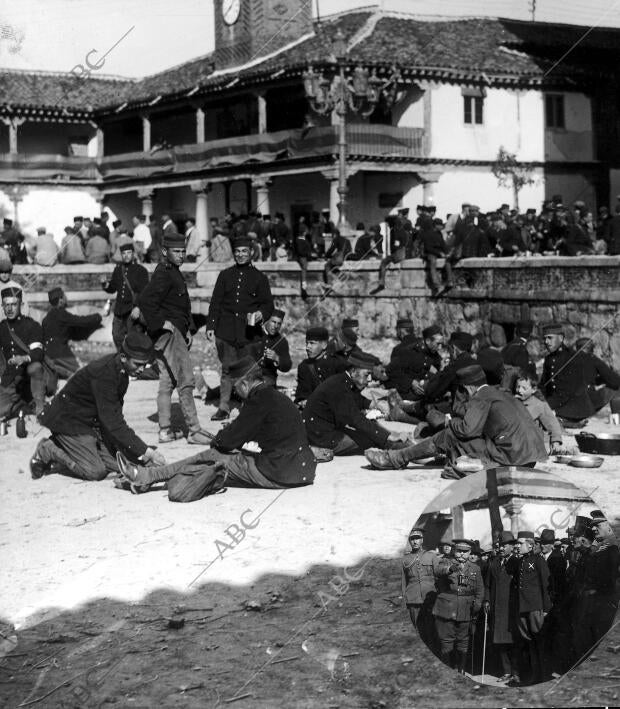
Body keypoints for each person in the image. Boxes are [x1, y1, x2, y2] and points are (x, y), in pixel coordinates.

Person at [115, 355, 316, 502]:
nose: (234, 394)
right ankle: (150, 477)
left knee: (211, 456)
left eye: (235, 389)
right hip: (302, 470)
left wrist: (221, 437)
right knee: (225, 455)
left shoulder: (257, 402)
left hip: (280, 473)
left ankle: (148, 476)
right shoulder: (275, 397)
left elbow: (225, 442)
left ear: (245, 383)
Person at [365, 365, 548, 476]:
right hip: (530, 458)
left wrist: (447, 421)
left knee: (450, 434)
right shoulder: (499, 393)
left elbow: (467, 430)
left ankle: (396, 458)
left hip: (512, 458)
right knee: (457, 437)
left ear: (468, 387)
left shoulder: (480, 396)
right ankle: (433, 455)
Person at [30, 332, 165, 481]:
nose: (142, 369)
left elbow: (114, 416)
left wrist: (134, 455)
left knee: (118, 465)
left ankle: (72, 448)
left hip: (89, 423)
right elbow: (113, 423)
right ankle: (48, 448)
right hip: (67, 420)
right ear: (123, 357)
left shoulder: (122, 373)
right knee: (95, 471)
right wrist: (146, 452)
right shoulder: (105, 374)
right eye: (138, 364)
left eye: (144, 364)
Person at [138, 231, 211, 445]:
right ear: (164, 252)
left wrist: (186, 328)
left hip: (174, 332)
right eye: (176, 251)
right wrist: (163, 323)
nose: (181, 255)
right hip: (170, 335)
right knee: (185, 380)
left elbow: (178, 307)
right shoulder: (164, 273)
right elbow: (145, 300)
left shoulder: (172, 271)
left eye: (183, 251)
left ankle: (165, 430)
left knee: (167, 380)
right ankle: (195, 430)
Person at [206, 236, 274, 421]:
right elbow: (215, 302)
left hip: (249, 334)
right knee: (227, 370)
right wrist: (211, 325)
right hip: (226, 331)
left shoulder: (260, 278)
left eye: (244, 251)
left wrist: (261, 314)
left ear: (251, 252)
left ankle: (249, 407)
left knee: (250, 371)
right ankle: (224, 406)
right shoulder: (225, 275)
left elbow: (268, 305)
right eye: (237, 252)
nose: (241, 255)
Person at [303, 351, 408, 459]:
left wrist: (371, 404)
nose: (370, 379)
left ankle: (406, 445)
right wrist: (387, 436)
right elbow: (356, 420)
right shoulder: (338, 387)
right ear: (353, 372)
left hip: (324, 430)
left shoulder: (343, 381)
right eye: (367, 374)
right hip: (321, 437)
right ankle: (408, 450)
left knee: (374, 432)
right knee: (373, 437)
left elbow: (355, 397)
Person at [505, 531, 551, 686]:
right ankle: (533, 676)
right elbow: (510, 572)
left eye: (520, 543)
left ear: (530, 545)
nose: (517, 546)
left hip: (535, 607)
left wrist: (545, 608)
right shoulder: (520, 561)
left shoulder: (538, 560)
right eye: (516, 544)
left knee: (539, 642)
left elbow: (545, 585)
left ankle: (543, 676)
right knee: (529, 642)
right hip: (522, 607)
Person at [433, 539, 484, 674]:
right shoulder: (446, 562)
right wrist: (450, 569)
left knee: (463, 641)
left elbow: (479, 590)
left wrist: (477, 604)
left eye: (465, 552)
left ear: (469, 552)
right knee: (446, 641)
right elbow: (438, 571)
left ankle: (461, 670)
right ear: (454, 551)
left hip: (466, 609)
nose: (462, 554)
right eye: (459, 551)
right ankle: (449, 669)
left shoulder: (475, 568)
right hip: (447, 608)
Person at [0, 287, 46, 419]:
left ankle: (39, 406)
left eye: (14, 304)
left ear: (21, 305)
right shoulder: (1, 328)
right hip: (9, 379)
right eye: (6, 305)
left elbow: (38, 353)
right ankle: (19, 406)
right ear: (2, 306)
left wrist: (24, 358)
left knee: (35, 366)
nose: (9, 309)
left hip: (28, 377)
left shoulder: (32, 326)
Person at [42, 287, 103, 378]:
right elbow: (82, 321)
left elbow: (69, 333)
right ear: (61, 300)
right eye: (64, 296)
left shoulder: (46, 319)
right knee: (82, 373)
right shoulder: (61, 314)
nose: (67, 298)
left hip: (47, 357)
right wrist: (100, 315)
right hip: (61, 355)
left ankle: (58, 371)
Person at [483, 531, 519, 683]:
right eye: (500, 546)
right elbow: (487, 585)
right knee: (500, 642)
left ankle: (516, 673)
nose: (502, 548)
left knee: (513, 642)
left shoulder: (517, 562)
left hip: (511, 609)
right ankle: (506, 671)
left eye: (505, 545)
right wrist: (486, 600)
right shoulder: (494, 563)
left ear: (512, 546)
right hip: (497, 609)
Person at [541, 323, 593, 427]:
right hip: (558, 402)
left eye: (550, 338)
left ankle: (571, 422)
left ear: (560, 338)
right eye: (545, 339)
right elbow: (544, 386)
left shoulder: (572, 358)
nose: (546, 342)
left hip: (574, 407)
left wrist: (545, 405)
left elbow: (565, 392)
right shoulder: (549, 359)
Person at [102, 242, 149, 351]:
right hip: (119, 310)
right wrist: (105, 285)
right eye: (124, 253)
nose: (126, 255)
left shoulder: (141, 271)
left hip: (132, 310)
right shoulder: (118, 269)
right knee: (117, 336)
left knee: (135, 339)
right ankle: (122, 360)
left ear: (133, 254)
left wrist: (138, 307)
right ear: (121, 255)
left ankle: (136, 361)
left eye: (129, 253)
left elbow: (144, 292)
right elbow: (113, 288)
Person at [402, 528, 443, 648]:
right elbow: (403, 581)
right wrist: (404, 599)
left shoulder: (431, 556)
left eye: (417, 539)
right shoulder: (405, 559)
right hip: (413, 600)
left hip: (430, 598)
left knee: (432, 630)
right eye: (412, 539)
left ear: (422, 540)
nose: (415, 542)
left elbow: (439, 573)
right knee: (417, 631)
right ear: (409, 541)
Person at [294, 326, 347, 407]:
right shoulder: (304, 367)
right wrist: (303, 401)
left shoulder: (337, 364)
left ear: (324, 345)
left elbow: (344, 393)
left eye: (312, 343)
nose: (308, 347)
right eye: (307, 343)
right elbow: (302, 394)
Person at [514, 371, 564, 453]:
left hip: (532, 441)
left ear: (533, 390)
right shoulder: (512, 401)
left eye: (524, 388)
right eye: (518, 387)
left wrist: (556, 442)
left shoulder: (539, 405)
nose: (519, 390)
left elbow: (553, 424)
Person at [574, 337, 620, 416]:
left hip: (568, 401)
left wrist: (600, 380)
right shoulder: (593, 359)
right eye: (593, 347)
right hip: (586, 399)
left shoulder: (568, 359)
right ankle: (616, 418)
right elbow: (615, 381)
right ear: (589, 348)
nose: (594, 350)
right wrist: (605, 380)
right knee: (618, 388)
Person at [248, 309, 292, 387]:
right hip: (249, 374)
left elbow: (287, 365)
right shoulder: (255, 333)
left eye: (279, 324)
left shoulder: (282, 341)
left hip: (268, 378)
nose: (275, 326)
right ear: (267, 320)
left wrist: (277, 358)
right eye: (273, 322)